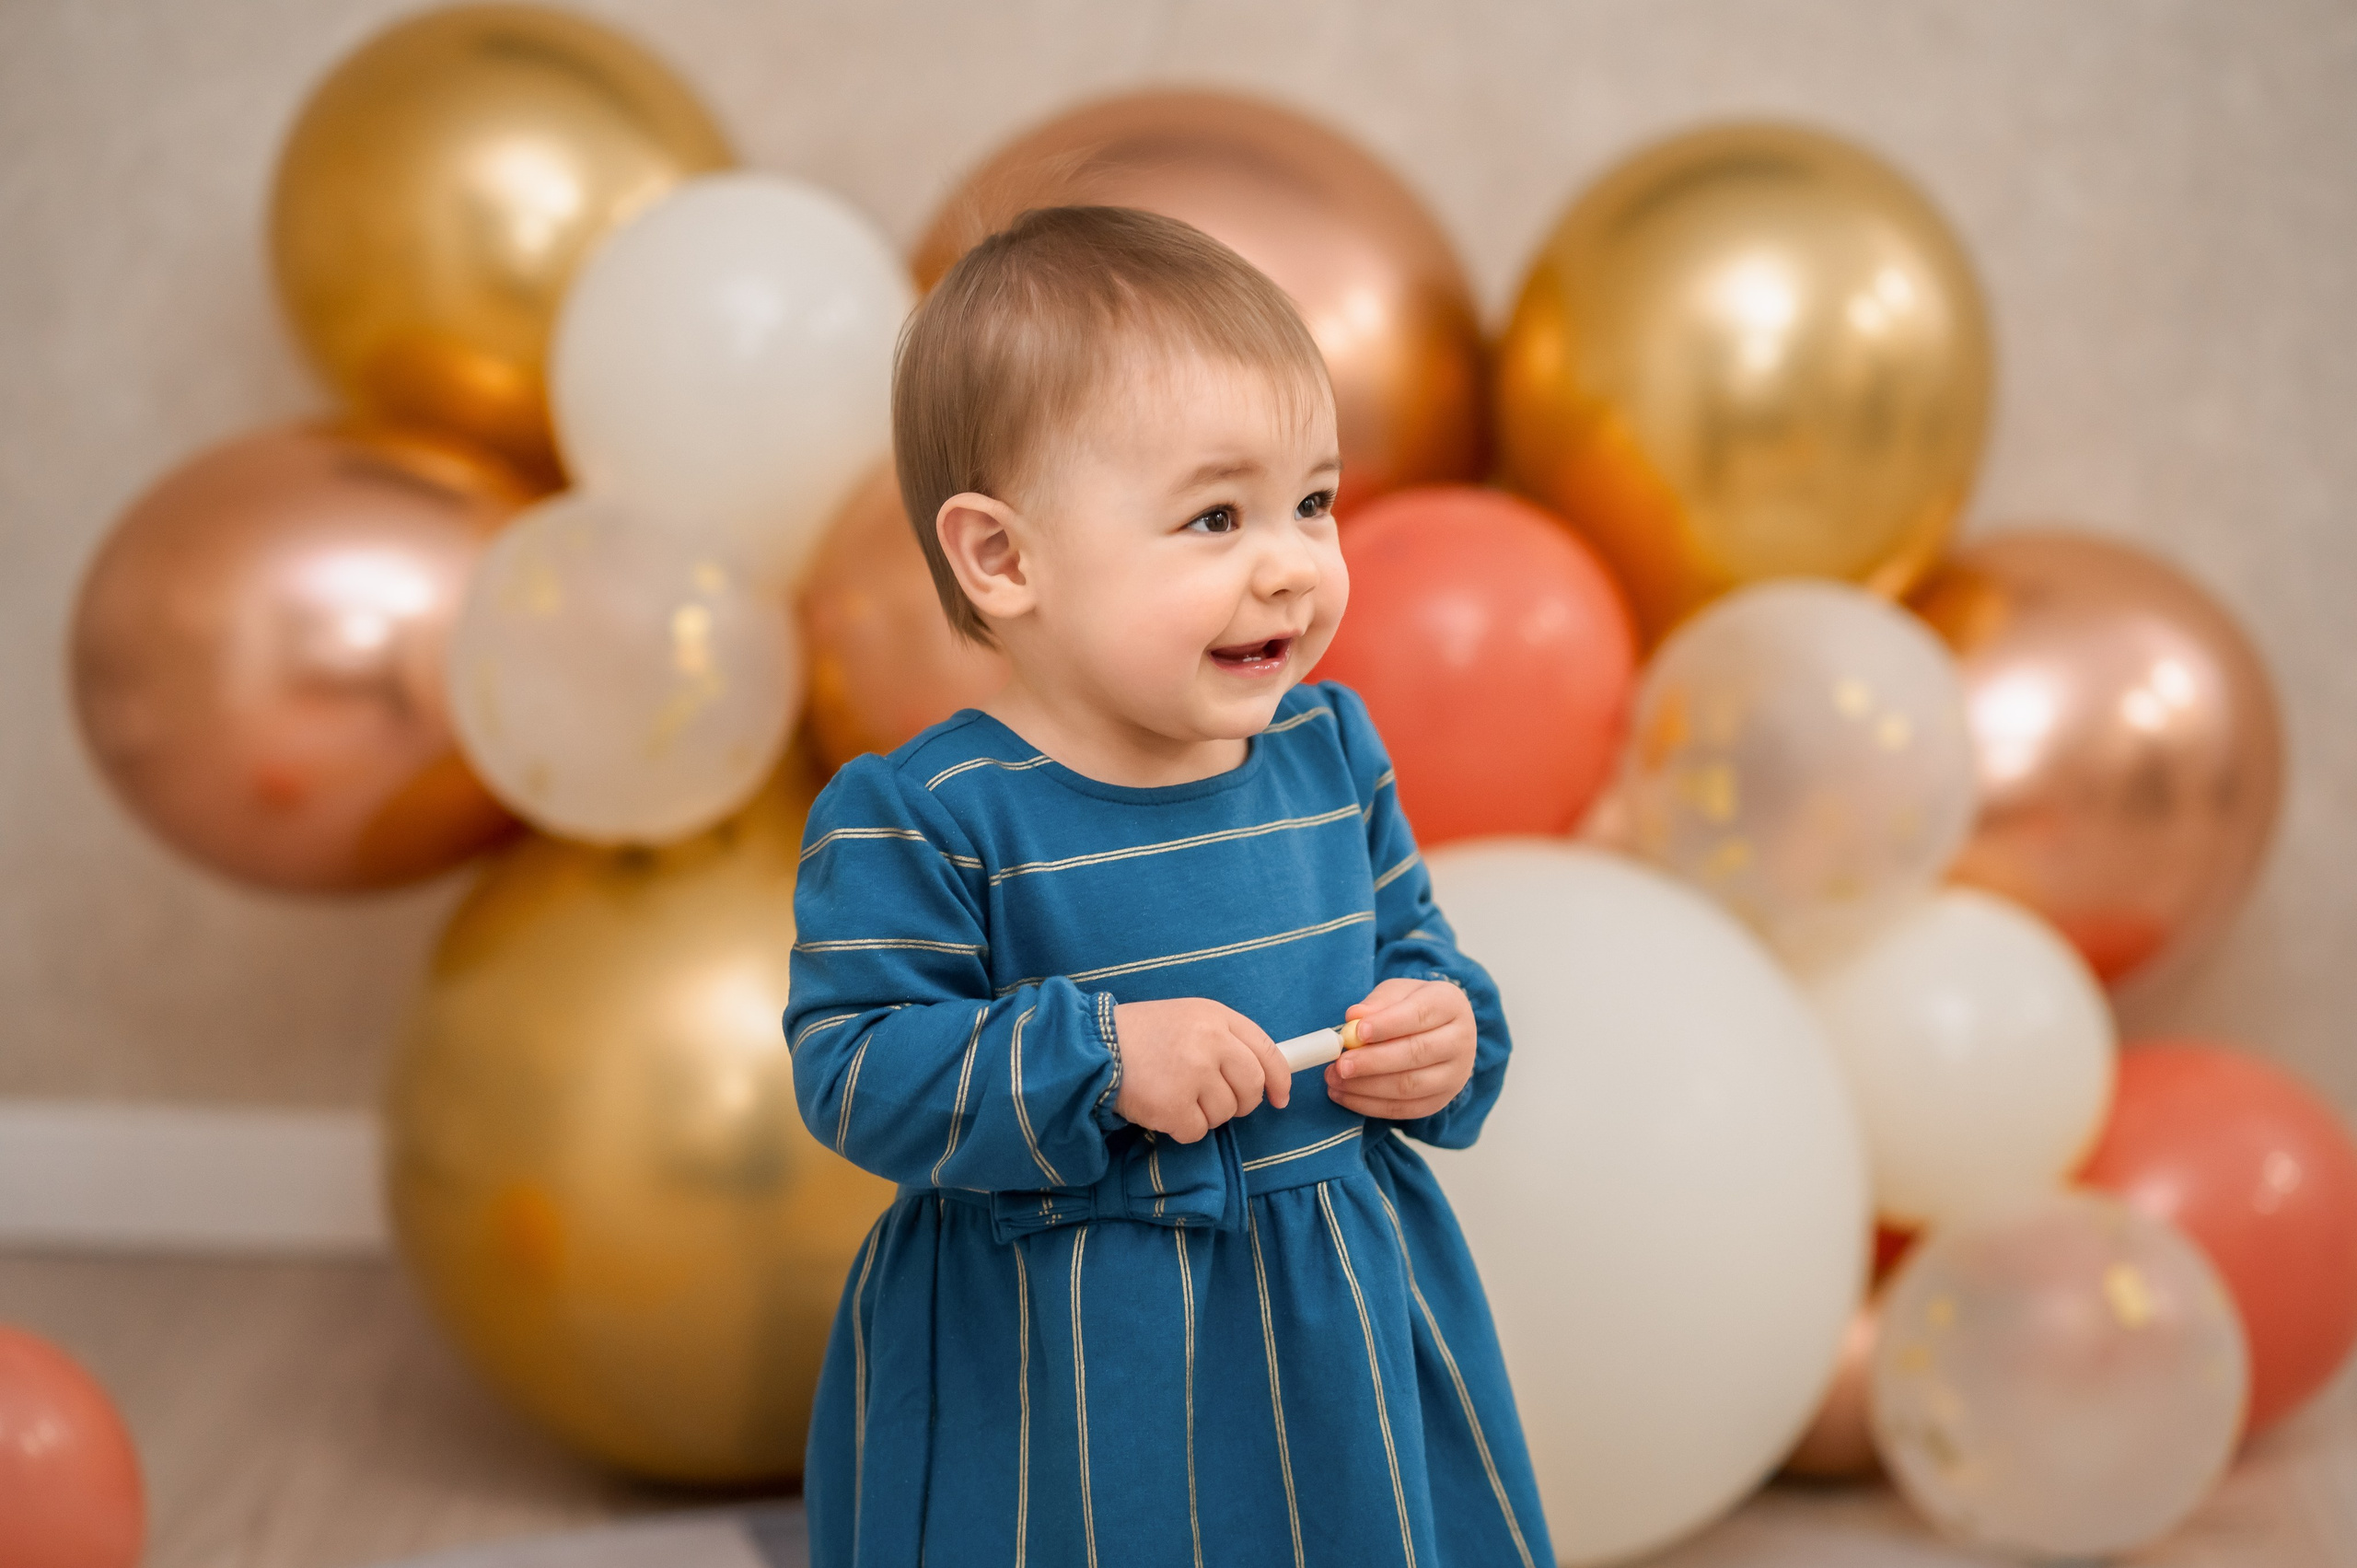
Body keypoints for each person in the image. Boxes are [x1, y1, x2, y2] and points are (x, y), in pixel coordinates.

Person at [787, 204, 1549, 1568]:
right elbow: (852, 1068)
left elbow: (1420, 955)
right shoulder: (929, 816)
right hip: (1068, 1347)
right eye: (1215, 515)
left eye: (1311, 502)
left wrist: (1441, 1031)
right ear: (1003, 559)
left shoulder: (1328, 753)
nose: (1291, 563)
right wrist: (1098, 1056)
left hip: (1335, 1314)